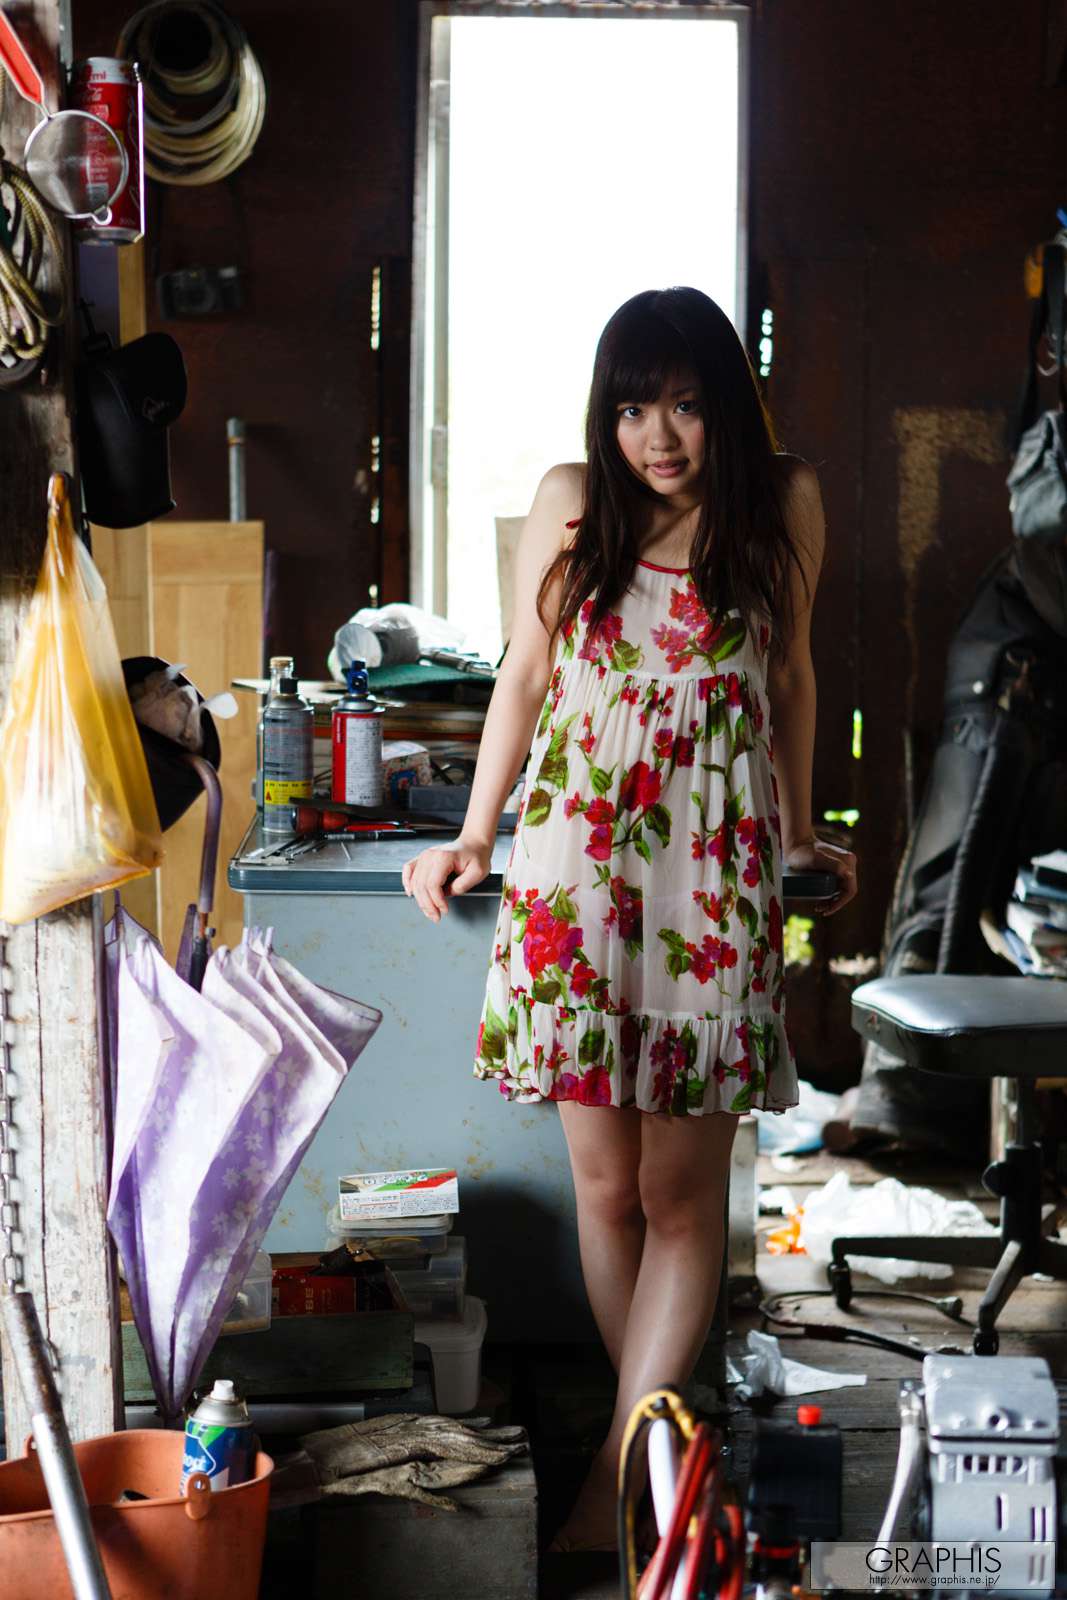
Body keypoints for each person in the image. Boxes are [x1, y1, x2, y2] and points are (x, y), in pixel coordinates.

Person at [402, 286, 858, 1553]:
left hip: (709, 869)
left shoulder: (782, 501)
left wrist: (798, 833)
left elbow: (790, 672)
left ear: (727, 405)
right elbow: (524, 674)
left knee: (677, 1192)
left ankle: (622, 1466)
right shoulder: (570, 501)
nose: (656, 436)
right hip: (576, 865)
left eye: (685, 405)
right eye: (631, 409)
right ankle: (653, 1464)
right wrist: (475, 834)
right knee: (603, 1187)